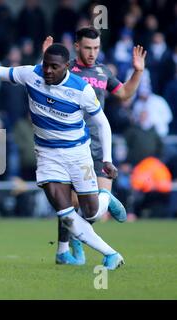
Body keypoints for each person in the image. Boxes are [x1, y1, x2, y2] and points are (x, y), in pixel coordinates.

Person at [0, 43, 126, 270]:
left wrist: (107, 159)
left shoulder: (82, 89)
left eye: (53, 67)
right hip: (48, 156)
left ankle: (105, 197)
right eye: (46, 65)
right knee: (65, 214)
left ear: (66, 67)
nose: (47, 70)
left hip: (78, 155)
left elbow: (102, 123)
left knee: (92, 213)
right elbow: (3, 71)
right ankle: (111, 254)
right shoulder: (32, 74)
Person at [42, 27, 146, 265]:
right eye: (87, 48)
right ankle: (66, 250)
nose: (92, 53)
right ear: (77, 46)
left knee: (94, 209)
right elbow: (44, 86)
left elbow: (125, 94)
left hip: (98, 146)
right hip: (71, 144)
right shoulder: (65, 69)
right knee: (72, 202)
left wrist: (138, 72)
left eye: (96, 48)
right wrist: (43, 61)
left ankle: (78, 237)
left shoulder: (102, 71)